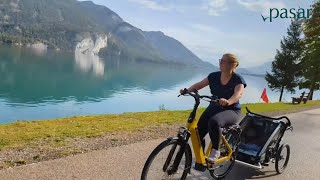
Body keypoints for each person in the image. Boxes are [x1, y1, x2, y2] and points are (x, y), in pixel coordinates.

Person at [180, 53, 247, 164]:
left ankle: (216, 150)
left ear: (232, 65)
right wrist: (188, 90)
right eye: (220, 60)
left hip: (231, 110)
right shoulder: (214, 76)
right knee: (198, 133)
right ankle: (200, 159)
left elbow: (238, 94)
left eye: (223, 61)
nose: (220, 62)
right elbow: (199, 84)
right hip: (214, 107)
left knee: (214, 122)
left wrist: (228, 101)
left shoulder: (238, 79)